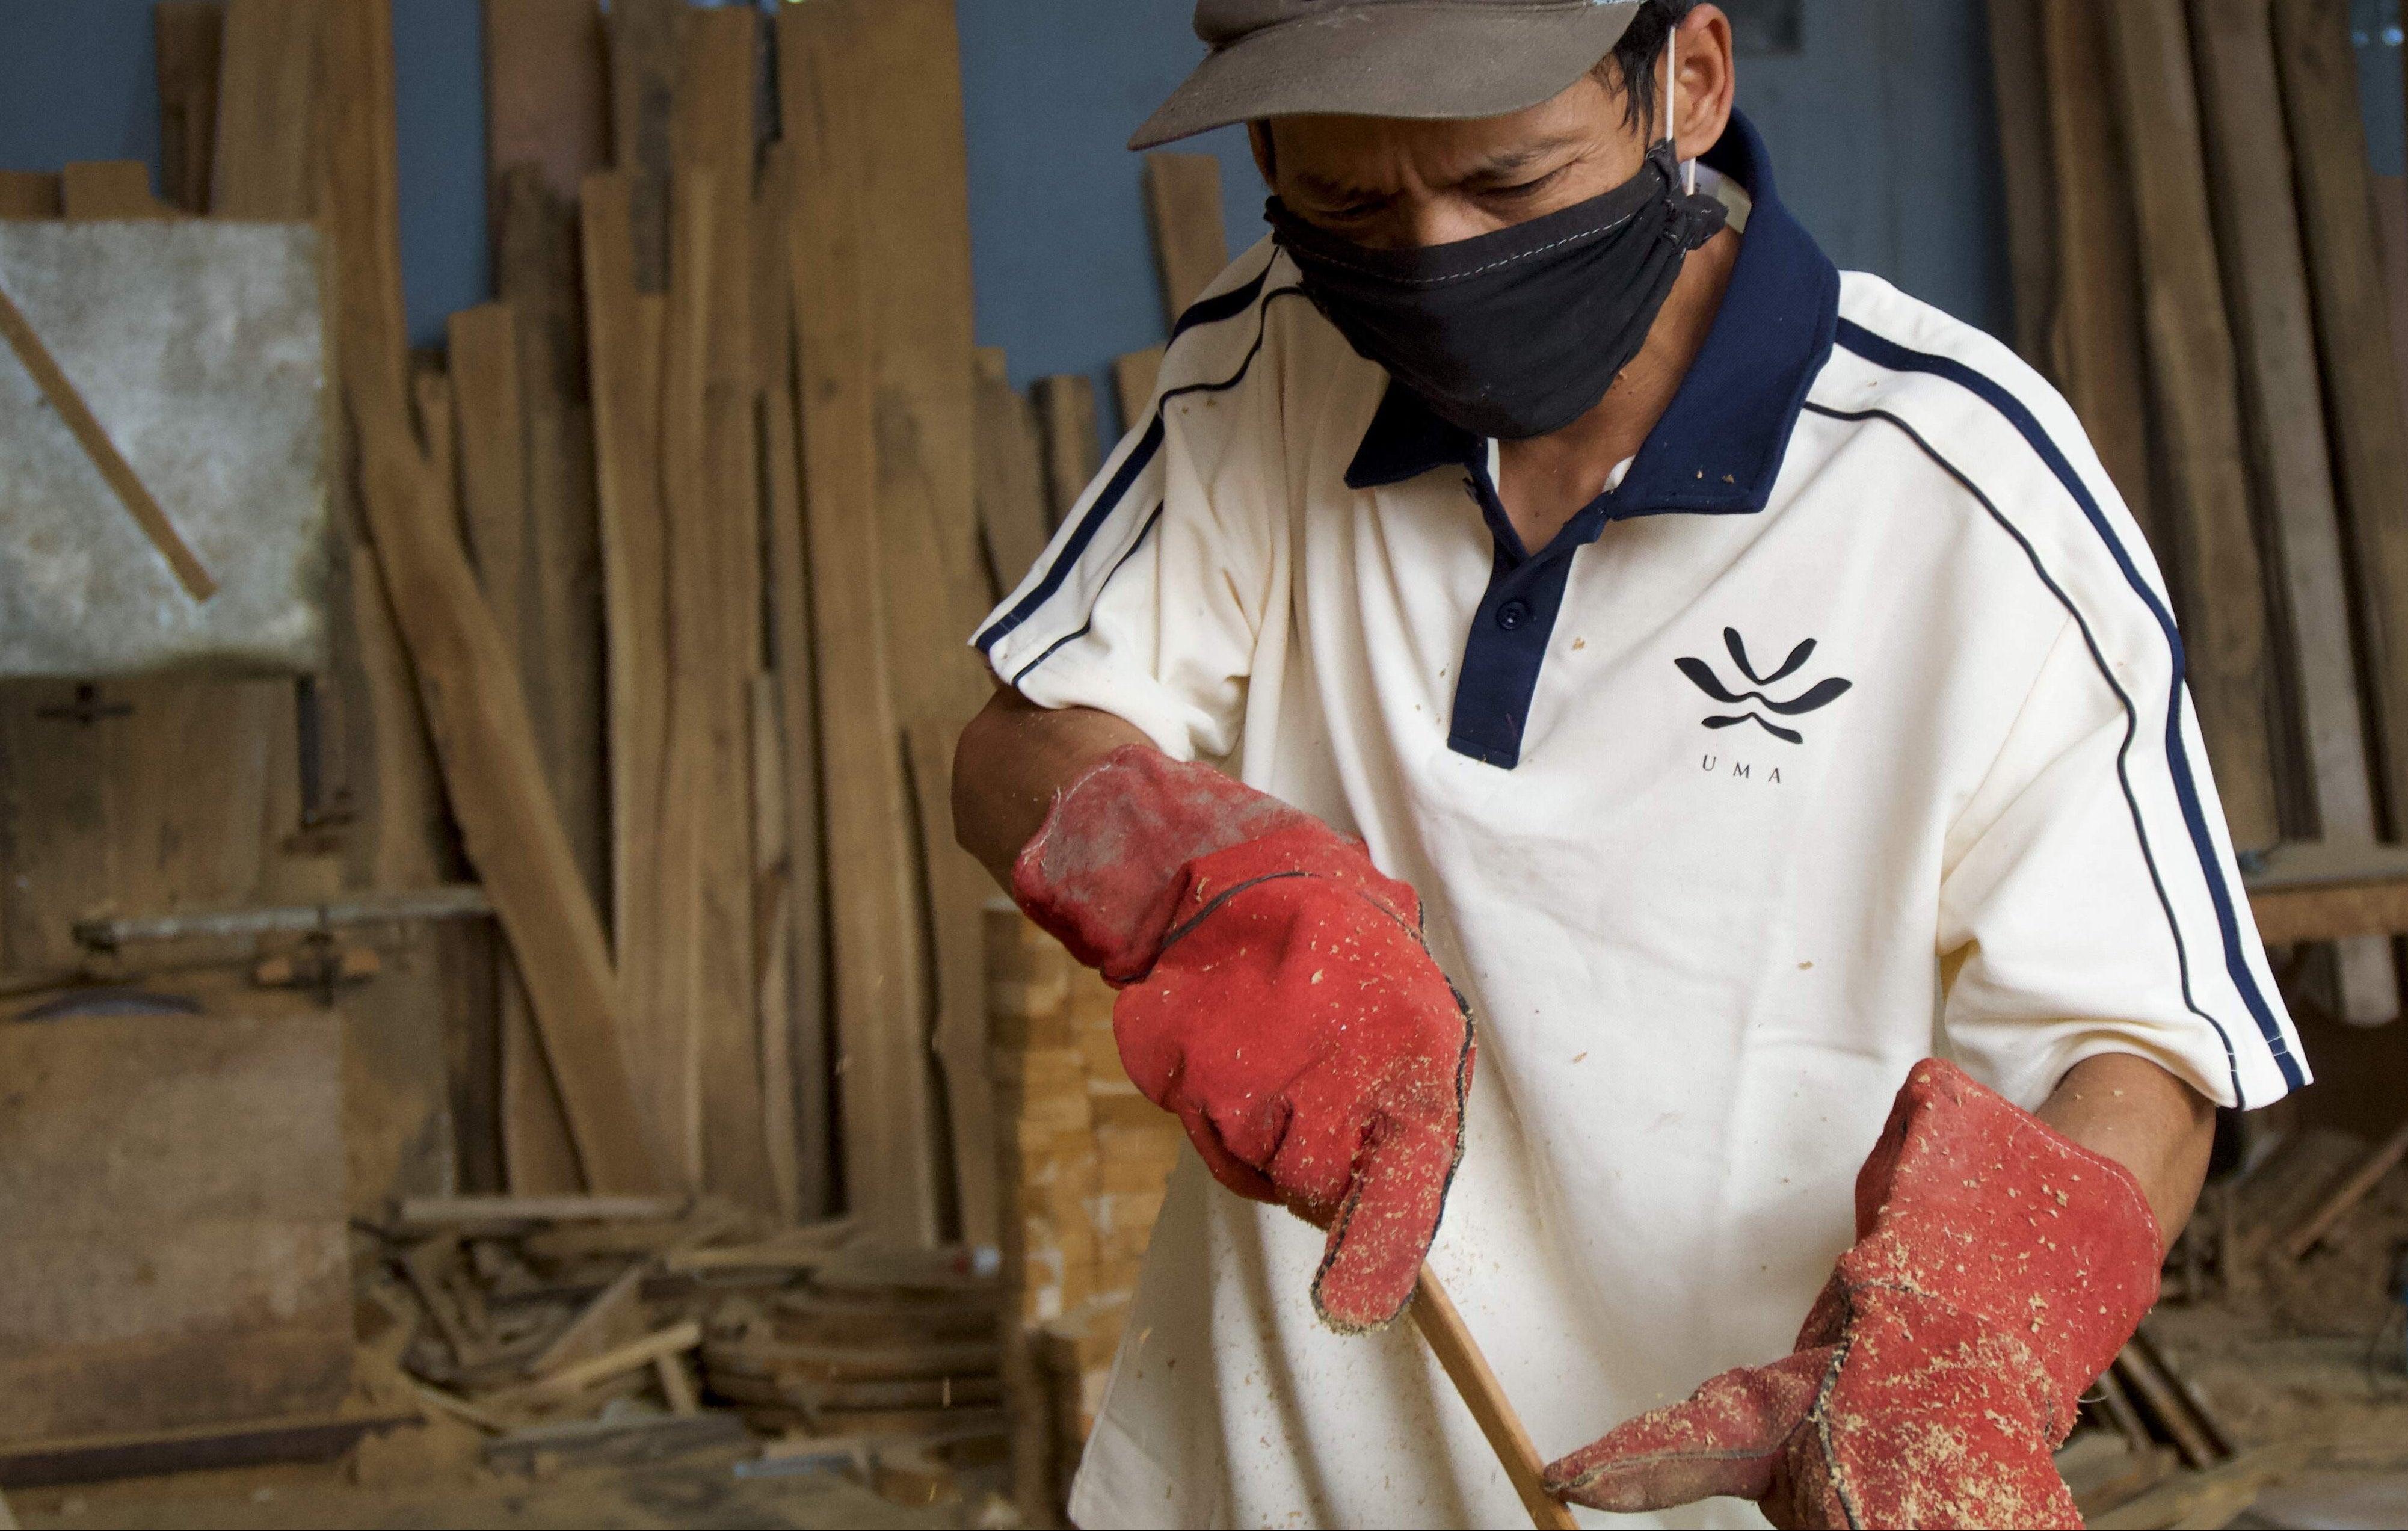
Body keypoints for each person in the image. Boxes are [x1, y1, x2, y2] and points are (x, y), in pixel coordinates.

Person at [953, 2, 2309, 1524]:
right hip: (1256, 1489)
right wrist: (1212, 891)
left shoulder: (1965, 491)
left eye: (1511, 183)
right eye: (1349, 200)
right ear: (1269, 155)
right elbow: (1021, 742)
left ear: (1690, 82)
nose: (1434, 261)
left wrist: (1973, 1345)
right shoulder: (1278, 348)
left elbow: (2141, 1055)